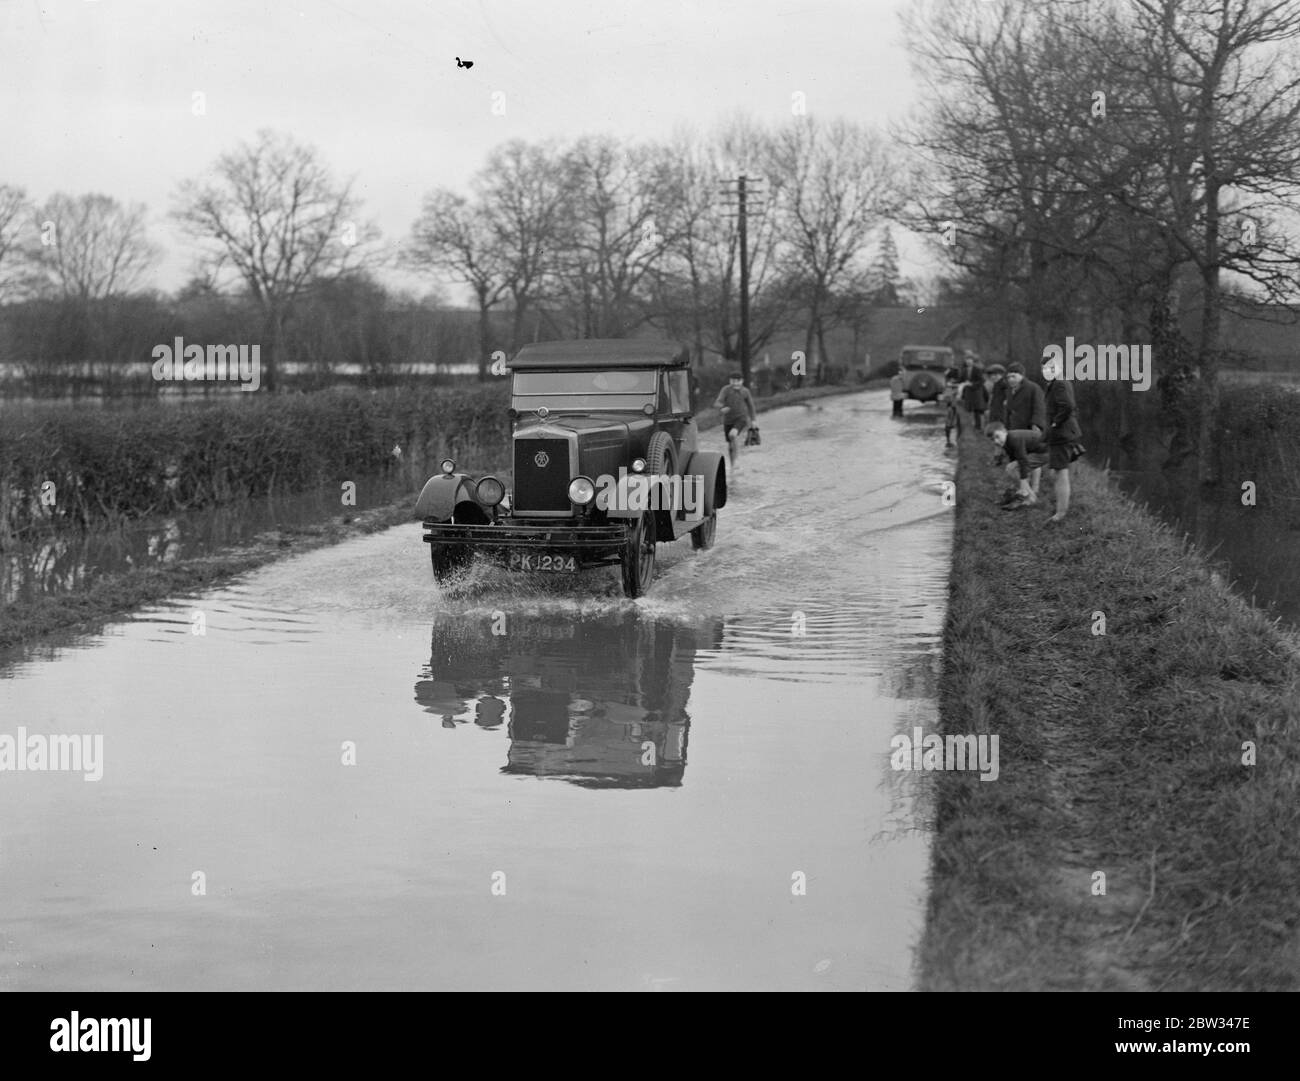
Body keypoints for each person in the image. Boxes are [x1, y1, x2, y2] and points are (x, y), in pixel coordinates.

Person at [1041, 353, 1084, 525]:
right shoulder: (1057, 383)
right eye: (1045, 368)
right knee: (1058, 471)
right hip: (1063, 433)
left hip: (1062, 433)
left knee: (1061, 472)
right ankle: (1061, 509)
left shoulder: (1059, 383)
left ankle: (1060, 513)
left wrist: (1054, 423)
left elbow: (1067, 406)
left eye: (1052, 367)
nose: (1048, 370)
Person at [987, 422, 1045, 508]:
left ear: (1004, 431)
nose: (996, 441)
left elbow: (1022, 460)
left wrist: (1023, 479)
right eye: (992, 439)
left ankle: (1031, 498)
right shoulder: (1006, 441)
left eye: (997, 436)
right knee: (1013, 468)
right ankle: (1020, 493)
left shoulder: (1014, 438)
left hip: (1045, 452)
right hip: (1035, 452)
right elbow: (1013, 458)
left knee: (1012, 469)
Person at [714, 371, 757, 468]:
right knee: (730, 446)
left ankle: (737, 460)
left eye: (738, 381)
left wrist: (753, 420)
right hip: (728, 421)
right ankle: (732, 466)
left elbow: (751, 406)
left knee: (732, 435)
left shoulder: (745, 391)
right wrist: (722, 408)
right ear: (730, 381)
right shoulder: (725, 390)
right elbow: (717, 403)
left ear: (742, 381)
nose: (736, 383)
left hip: (741, 419)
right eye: (733, 381)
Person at [1001, 362, 1047, 436]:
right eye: (1008, 377)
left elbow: (1039, 408)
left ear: (1022, 375)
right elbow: (1008, 411)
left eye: (1013, 376)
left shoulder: (1034, 388)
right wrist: (1005, 427)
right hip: (1013, 429)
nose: (1010, 380)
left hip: (1028, 430)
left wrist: (1036, 424)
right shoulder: (1009, 390)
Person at [941, 375, 962, 447]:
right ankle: (949, 441)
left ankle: (955, 440)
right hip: (951, 408)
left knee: (956, 424)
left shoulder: (959, 389)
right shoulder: (948, 390)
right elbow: (945, 399)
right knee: (949, 425)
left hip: (956, 408)